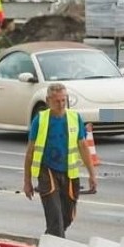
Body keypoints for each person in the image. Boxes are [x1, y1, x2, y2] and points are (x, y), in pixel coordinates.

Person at [22, 83, 97, 238]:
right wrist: (27, 180)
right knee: (55, 218)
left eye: (64, 100)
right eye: (57, 101)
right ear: (48, 101)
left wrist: (92, 174)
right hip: (46, 171)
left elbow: (83, 146)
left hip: (69, 174)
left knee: (67, 217)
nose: (61, 104)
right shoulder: (40, 120)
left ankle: (48, 243)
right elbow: (30, 152)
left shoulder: (74, 118)